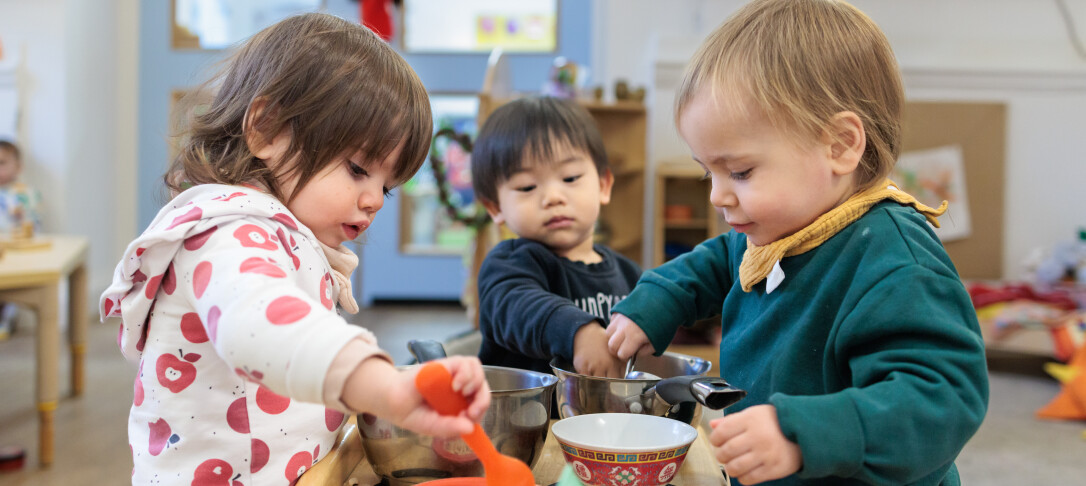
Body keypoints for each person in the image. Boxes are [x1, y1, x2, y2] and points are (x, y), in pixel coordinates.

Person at [605, 1, 989, 484]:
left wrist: (802, 432)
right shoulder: (780, 232)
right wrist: (657, 301)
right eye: (709, 172)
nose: (718, 195)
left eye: (740, 171)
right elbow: (718, 261)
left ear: (840, 146)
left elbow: (942, 401)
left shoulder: (896, 262)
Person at [98, 13, 490, 484]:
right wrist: (385, 387)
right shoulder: (229, 234)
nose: (372, 200)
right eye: (359, 169)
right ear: (266, 130)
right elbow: (261, 323)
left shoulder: (277, 232)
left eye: (387, 187)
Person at [471, 96, 641, 378]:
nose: (553, 197)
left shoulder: (630, 273)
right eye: (527, 186)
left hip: (609, 418)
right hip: (529, 419)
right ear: (495, 207)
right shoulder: (508, 265)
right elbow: (516, 303)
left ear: (603, 185)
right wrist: (578, 333)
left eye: (570, 178)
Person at [0, 139, 42, 340]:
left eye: (2, 163)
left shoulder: (24, 193)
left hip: (15, 248)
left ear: (18, 166)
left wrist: (20, 213)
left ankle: (6, 319)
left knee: (10, 291)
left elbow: (32, 221)